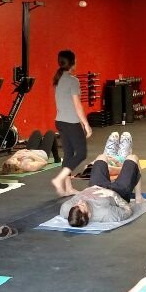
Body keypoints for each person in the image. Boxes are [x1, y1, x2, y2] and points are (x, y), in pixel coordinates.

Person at [59, 151, 143, 228]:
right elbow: (128, 210)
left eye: (77, 204)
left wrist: (85, 191)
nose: (80, 201)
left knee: (101, 157)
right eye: (82, 205)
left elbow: (70, 209)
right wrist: (112, 194)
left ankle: (117, 165)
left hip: (96, 186)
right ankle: (139, 197)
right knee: (132, 158)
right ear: (89, 215)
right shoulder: (106, 213)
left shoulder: (66, 209)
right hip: (119, 191)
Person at [50, 49, 91, 196]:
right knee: (81, 153)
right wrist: (86, 124)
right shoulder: (73, 80)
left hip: (60, 121)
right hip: (71, 122)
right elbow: (77, 105)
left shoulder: (58, 79)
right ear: (72, 63)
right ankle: (59, 179)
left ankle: (67, 188)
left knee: (68, 154)